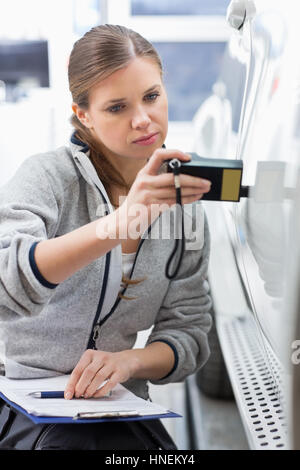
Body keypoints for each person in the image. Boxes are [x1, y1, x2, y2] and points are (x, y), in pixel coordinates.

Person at [0, 24, 212, 450]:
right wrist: (118, 225)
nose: (143, 119)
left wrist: (128, 361)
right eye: (117, 107)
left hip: (118, 408)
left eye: (152, 96)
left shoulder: (184, 201)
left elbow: (189, 333)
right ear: (85, 116)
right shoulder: (47, 177)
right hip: (27, 404)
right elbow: (7, 280)